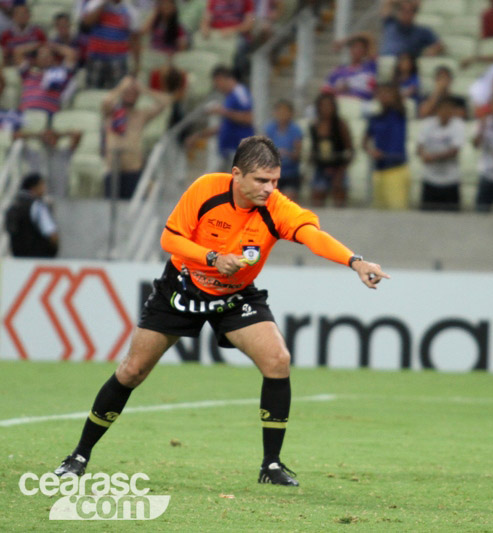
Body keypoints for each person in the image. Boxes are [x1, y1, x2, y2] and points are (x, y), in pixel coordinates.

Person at [53, 135, 390, 486]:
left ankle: (271, 465)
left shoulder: (276, 207)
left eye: (275, 181)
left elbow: (312, 235)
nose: (270, 189)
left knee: (277, 360)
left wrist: (354, 261)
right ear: (236, 175)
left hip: (234, 295)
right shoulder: (205, 190)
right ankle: (79, 454)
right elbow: (170, 240)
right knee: (133, 370)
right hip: (181, 287)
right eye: (261, 180)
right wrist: (212, 258)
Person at [103, 75, 171, 199]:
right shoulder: (111, 113)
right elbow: (106, 102)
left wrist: (144, 89)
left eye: (133, 93)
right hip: (113, 170)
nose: (130, 96)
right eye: (127, 93)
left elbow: (166, 101)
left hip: (132, 171)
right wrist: (121, 87)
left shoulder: (140, 115)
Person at [364, 83, 409, 210]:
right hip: (379, 169)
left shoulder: (399, 114)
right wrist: (372, 151)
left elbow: (400, 105)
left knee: (397, 211)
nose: (384, 96)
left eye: (387, 93)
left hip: (396, 168)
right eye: (381, 93)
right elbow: (365, 142)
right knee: (380, 212)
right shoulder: (375, 118)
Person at [417, 96, 466, 211]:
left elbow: (455, 151)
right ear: (437, 110)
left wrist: (432, 157)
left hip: (450, 181)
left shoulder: (458, 125)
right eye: (443, 109)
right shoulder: (427, 124)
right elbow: (419, 146)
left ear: (453, 111)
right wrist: (423, 154)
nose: (446, 112)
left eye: (449, 109)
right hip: (430, 180)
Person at [81, 0, 141, 89]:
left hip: (118, 60)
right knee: (91, 90)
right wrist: (103, 4)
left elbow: (135, 39)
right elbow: (87, 23)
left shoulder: (130, 10)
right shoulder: (95, 4)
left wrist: (136, 64)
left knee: (116, 93)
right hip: (96, 58)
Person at [308, 93, 352, 207]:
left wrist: (341, 171)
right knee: (317, 200)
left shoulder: (340, 125)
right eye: (323, 106)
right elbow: (314, 148)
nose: (326, 109)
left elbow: (350, 151)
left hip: (338, 167)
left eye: (329, 106)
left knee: (339, 200)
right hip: (321, 168)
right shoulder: (314, 126)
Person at [15, 42, 78, 116]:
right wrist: (38, 45)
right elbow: (18, 51)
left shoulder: (60, 74)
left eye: (48, 56)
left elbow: (70, 53)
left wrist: (53, 46)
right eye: (41, 55)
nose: (44, 58)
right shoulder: (28, 74)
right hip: (24, 114)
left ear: (53, 59)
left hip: (48, 115)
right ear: (36, 60)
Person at [4, 173, 59, 258]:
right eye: (42, 184)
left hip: (18, 258)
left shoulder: (14, 206)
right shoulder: (37, 205)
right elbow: (51, 233)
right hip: (39, 258)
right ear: (34, 187)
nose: (44, 188)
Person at [264, 100, 303, 201]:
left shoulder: (295, 130)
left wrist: (287, 154)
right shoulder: (270, 129)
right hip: (272, 173)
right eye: (280, 111)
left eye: (286, 111)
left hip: (290, 173)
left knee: (288, 200)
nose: (282, 115)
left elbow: (297, 154)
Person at [379, 0, 443, 57]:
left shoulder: (422, 31)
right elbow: (387, 3)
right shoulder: (390, 23)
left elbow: (439, 46)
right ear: (398, 12)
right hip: (386, 62)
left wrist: (429, 52)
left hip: (408, 65)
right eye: (402, 10)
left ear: (414, 13)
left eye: (409, 11)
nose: (406, 14)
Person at [322, 35, 377, 101]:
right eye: (354, 47)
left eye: (361, 48)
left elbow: (369, 38)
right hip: (341, 103)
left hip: (362, 104)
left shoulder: (370, 66)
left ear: (365, 51)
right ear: (350, 50)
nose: (357, 50)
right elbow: (325, 89)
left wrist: (344, 41)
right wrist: (337, 90)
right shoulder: (339, 70)